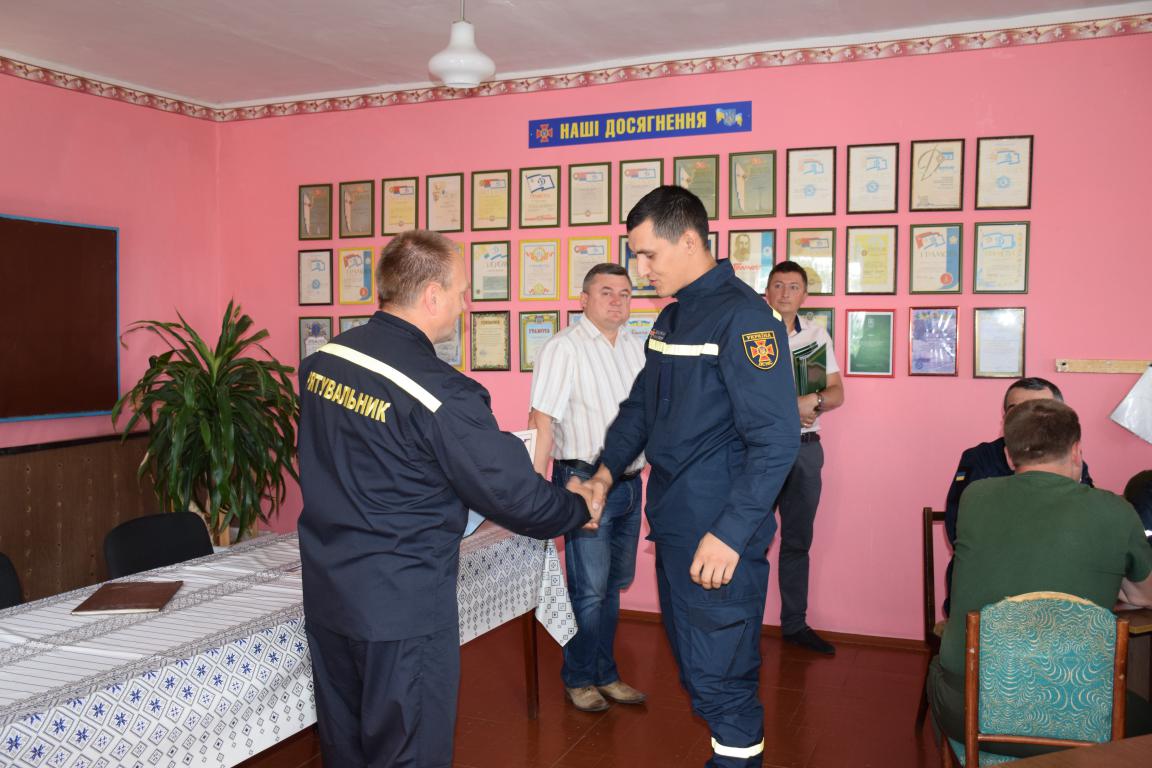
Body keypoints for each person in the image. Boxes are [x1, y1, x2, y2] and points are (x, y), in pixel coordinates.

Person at [297, 230, 600, 768]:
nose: (465, 305)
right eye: (462, 292)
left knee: (345, 746)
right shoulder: (441, 391)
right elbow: (515, 497)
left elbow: (367, 457)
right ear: (432, 296)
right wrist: (577, 507)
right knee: (408, 750)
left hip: (330, 592)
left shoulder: (324, 361)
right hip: (401, 605)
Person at [582, 185, 800, 767]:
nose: (641, 269)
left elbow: (776, 439)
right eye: (637, 256)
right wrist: (605, 472)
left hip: (718, 533)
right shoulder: (674, 318)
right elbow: (640, 408)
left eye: (648, 254)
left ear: (687, 240)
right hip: (678, 524)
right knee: (698, 667)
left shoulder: (744, 318)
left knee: (721, 676)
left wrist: (729, 533)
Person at [928, 399, 1152, 759]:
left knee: (939, 672)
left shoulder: (975, 498)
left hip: (971, 713)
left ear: (1009, 455)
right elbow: (1144, 596)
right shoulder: (1116, 511)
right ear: (1077, 451)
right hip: (1082, 718)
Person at [527, 262, 648, 712]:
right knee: (590, 590)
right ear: (584, 299)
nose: (617, 301)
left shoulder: (637, 346)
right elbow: (541, 420)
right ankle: (579, 678)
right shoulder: (564, 347)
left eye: (625, 293)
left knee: (612, 586)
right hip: (583, 482)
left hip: (630, 483)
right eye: (606, 292)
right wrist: (534, 492)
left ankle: (605, 673)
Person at [942, 377, 1093, 613]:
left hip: (1055, 584)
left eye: (1039, 411)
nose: (1027, 421)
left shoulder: (1071, 461)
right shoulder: (980, 459)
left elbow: (1088, 526)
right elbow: (959, 529)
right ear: (1004, 419)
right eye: (1016, 411)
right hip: (988, 588)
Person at [764, 261, 844, 655]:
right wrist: (789, 408)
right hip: (762, 449)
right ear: (766, 292)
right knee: (750, 539)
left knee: (798, 542)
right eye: (777, 285)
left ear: (804, 295)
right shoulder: (751, 334)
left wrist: (812, 401)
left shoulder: (815, 335)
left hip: (806, 449)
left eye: (793, 286)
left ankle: (794, 624)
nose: (784, 293)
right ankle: (740, 623)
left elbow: (836, 393)